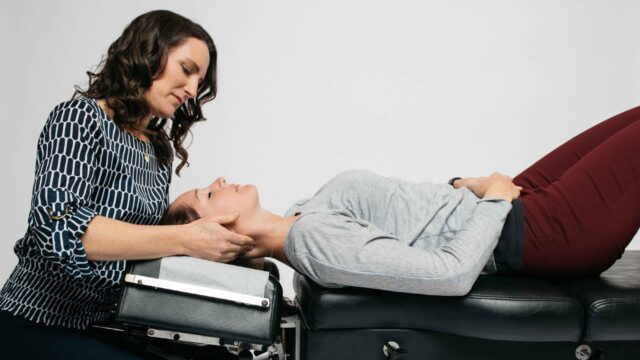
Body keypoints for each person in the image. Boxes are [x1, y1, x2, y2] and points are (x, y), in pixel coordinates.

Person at [162, 105, 640, 296]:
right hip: (541, 231)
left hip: (518, 206)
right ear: (222, 230)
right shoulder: (314, 243)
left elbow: (410, 219)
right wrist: (493, 202)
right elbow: (448, 274)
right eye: (208, 192)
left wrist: (460, 185)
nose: (220, 179)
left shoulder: (300, 214)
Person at [0, 10, 251, 359]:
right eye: (187, 69)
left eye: (199, 80)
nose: (193, 90)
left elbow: (145, 247)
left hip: (106, 324)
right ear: (148, 54)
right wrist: (185, 238)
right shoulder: (79, 119)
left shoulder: (157, 149)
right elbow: (59, 229)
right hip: (39, 321)